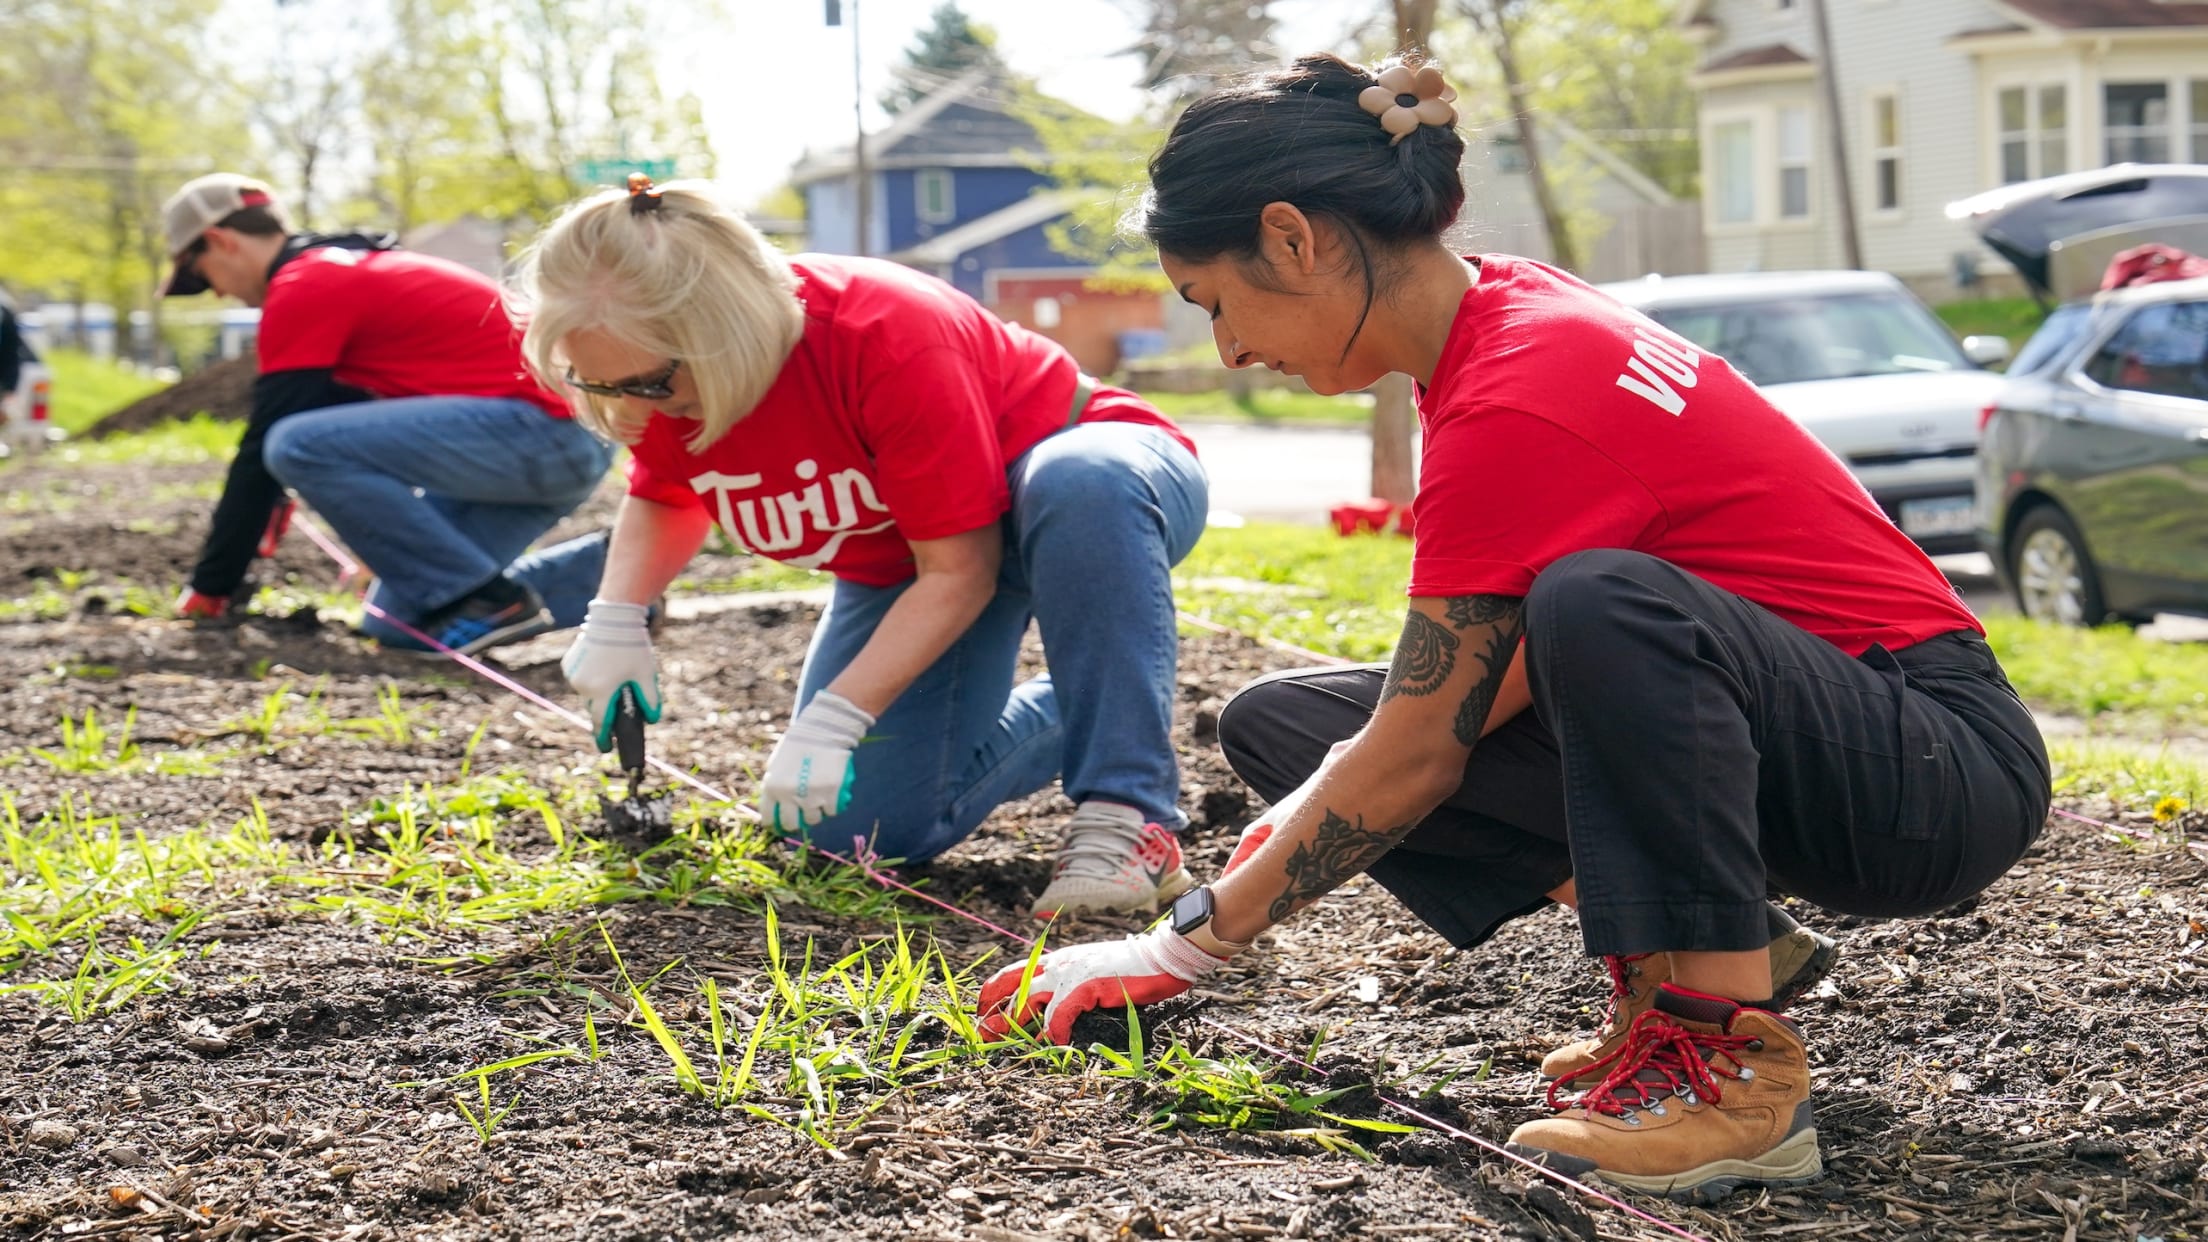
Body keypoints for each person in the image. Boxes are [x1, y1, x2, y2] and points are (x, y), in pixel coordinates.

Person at [977, 55, 2050, 1203]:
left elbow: (1428, 746)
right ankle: (1701, 952)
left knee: (1594, 601)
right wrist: (1302, 825)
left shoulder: (1518, 393)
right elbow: (1440, 713)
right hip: (1807, 732)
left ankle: (1727, 1071)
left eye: (1213, 303)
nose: (1232, 349)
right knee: (1287, 727)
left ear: (1292, 239)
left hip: (1933, 768)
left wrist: (1181, 941)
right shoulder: (1505, 312)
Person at [520, 178, 1210, 919]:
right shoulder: (650, 370)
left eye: (650, 384)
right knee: (849, 829)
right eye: (599, 385)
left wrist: (836, 716)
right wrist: (617, 615)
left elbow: (961, 568)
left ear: (726, 329)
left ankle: (1127, 811)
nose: (629, 409)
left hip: (1087, 495)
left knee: (1081, 477)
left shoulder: (882, 330)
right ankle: (1111, 693)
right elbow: (667, 490)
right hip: (910, 561)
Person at [159, 173, 615, 655]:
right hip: (549, 442)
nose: (215, 293)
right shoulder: (346, 268)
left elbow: (266, 447)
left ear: (219, 242)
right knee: (399, 623)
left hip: (546, 431)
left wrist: (211, 587)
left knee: (293, 443)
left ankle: (491, 601)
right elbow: (386, 444)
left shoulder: (306, 283)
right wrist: (395, 547)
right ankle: (613, 584)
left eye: (199, 275)